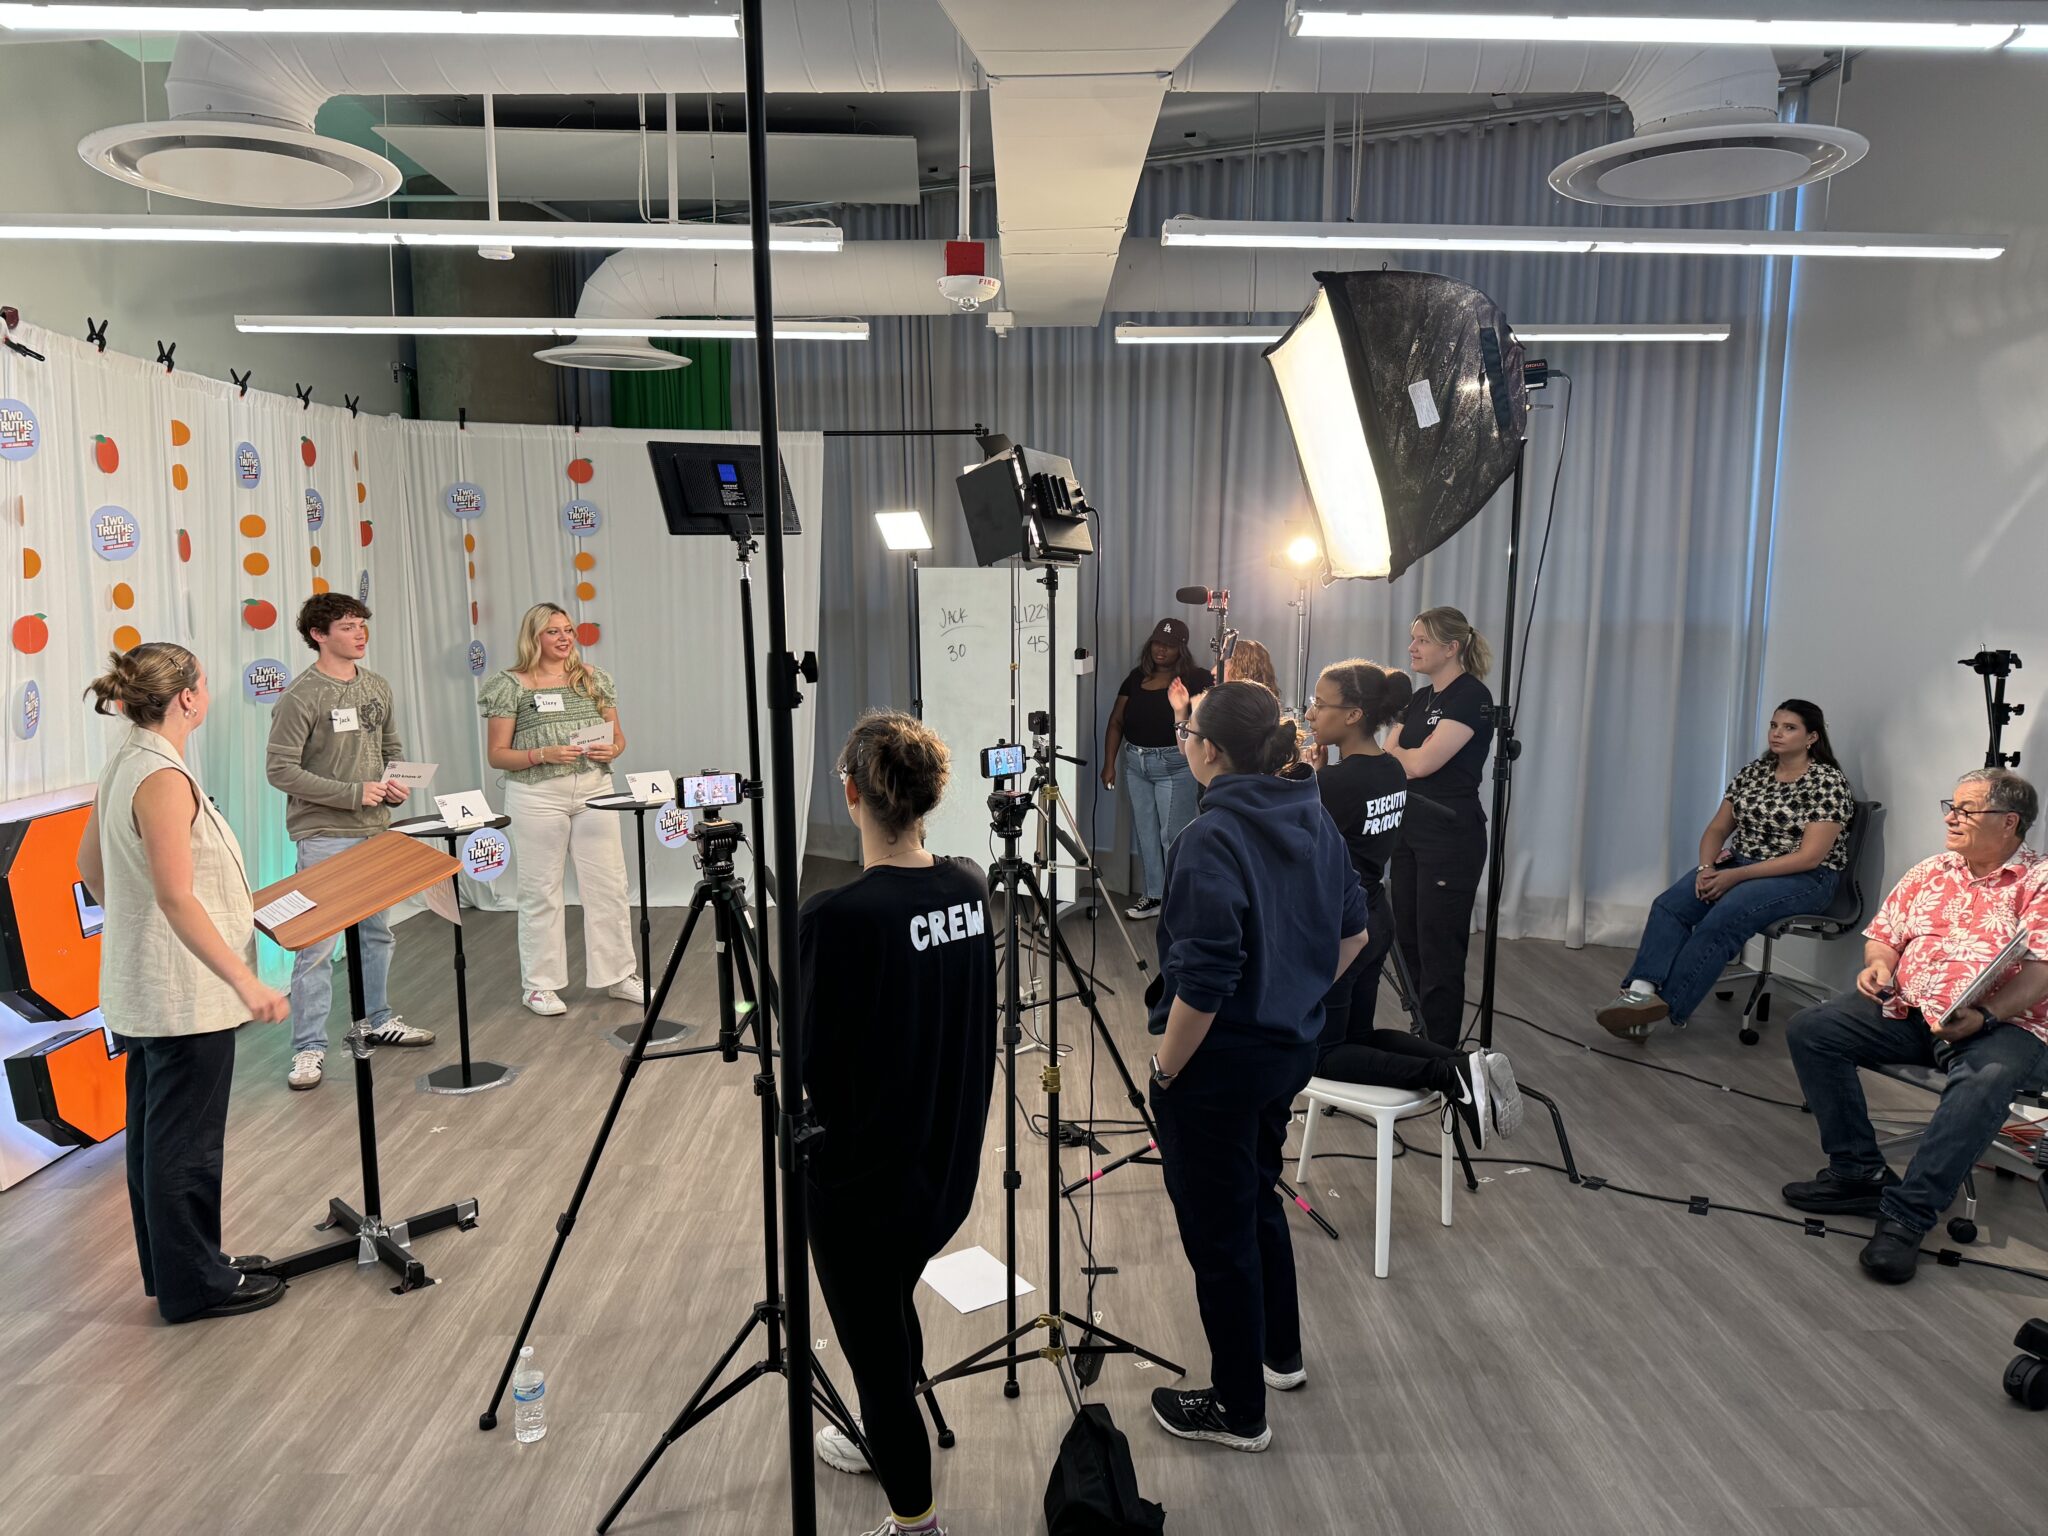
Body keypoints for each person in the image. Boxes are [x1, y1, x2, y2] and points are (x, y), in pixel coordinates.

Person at [1146, 681, 1370, 1453]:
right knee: (1257, 1193)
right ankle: (1280, 1355)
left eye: (1188, 730)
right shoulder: (1309, 812)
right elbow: (1353, 938)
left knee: (1218, 1236)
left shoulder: (1208, 839)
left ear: (1208, 749)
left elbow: (1203, 983)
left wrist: (1166, 1071)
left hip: (1218, 1065)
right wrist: (1292, 995)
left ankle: (1239, 1411)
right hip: (1287, 1052)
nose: (1184, 741)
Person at [802, 711, 996, 1536]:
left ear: (852, 793)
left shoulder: (839, 915)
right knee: (888, 1299)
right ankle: (890, 1435)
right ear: (931, 797)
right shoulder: (969, 885)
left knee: (874, 1352)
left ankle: (915, 1519)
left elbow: (809, 1061)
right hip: (944, 1161)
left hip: (863, 1180)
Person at [78, 644, 291, 1322]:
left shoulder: (130, 761)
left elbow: (90, 867)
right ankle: (194, 1285)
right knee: (185, 1148)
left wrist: (137, 927)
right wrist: (243, 980)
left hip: (146, 986)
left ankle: (183, 1266)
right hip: (182, 995)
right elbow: (175, 896)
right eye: (204, 682)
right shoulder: (162, 777)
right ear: (189, 699)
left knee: (154, 1138)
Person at [1781, 768, 2048, 1285]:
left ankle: (1907, 1218)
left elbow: (2041, 971)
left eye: (1967, 809)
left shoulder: (2040, 882)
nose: (1952, 817)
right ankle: (1858, 1172)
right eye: (1951, 805)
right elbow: (1884, 936)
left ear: (2009, 821)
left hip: (2006, 1026)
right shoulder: (1933, 870)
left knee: (1987, 1077)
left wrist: (1988, 1014)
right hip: (1912, 1011)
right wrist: (1876, 966)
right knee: (1813, 1028)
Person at [1306, 659, 1521, 1146]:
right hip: (1375, 916)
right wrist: (1322, 774)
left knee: (1322, 1053)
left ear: (1355, 714)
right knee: (1357, 1036)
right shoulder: (1389, 770)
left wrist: (1315, 779)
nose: (1312, 714)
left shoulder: (1332, 786)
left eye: (1321, 704)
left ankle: (1450, 1077)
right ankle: (1463, 1064)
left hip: (1340, 925)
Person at [1599, 700, 1854, 1039]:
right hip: (1741, 864)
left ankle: (1660, 1009)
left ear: (1811, 738)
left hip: (1805, 877)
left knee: (1726, 914)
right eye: (1774, 725)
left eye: (1789, 727)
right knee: (1670, 905)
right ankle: (1641, 993)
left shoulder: (1827, 782)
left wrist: (1735, 876)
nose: (1777, 733)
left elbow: (1809, 857)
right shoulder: (1755, 772)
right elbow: (1718, 829)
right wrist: (1707, 868)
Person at [265, 593, 432, 1091]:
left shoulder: (377, 686)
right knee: (315, 945)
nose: (359, 633)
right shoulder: (302, 695)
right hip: (322, 834)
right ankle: (308, 1049)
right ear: (319, 634)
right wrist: (352, 794)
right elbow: (280, 770)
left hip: (376, 831)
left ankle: (378, 1019)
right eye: (347, 626)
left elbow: (391, 749)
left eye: (362, 624)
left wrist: (395, 784)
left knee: (378, 932)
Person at [479, 602, 640, 1017]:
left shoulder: (592, 679)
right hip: (536, 796)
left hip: (594, 789)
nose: (565, 637)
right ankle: (539, 985)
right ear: (534, 637)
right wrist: (541, 753)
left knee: (608, 886)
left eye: (568, 629)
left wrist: (613, 748)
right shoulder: (509, 685)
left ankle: (619, 975)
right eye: (553, 631)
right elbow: (497, 755)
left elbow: (619, 737)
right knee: (540, 890)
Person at [1381, 606, 1495, 1047]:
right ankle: (1420, 1038)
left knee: (1439, 948)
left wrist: (1410, 757)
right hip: (1408, 831)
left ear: (1451, 648)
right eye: (1413, 638)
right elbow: (1389, 756)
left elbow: (1422, 762)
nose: (1412, 648)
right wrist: (1410, 757)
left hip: (1451, 835)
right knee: (1406, 940)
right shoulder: (1419, 698)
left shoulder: (1471, 696)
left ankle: (1440, 1055)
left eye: (1422, 640)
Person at [1103, 616, 1210, 921]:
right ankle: (1153, 896)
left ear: (1182, 649)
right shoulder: (1136, 677)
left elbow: (1212, 714)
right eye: (1157, 643)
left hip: (1176, 765)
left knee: (1174, 835)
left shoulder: (1196, 677)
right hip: (1135, 763)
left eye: (1170, 645)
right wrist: (1108, 763)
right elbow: (1116, 721)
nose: (1161, 650)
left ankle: (1180, 900)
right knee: (1146, 832)